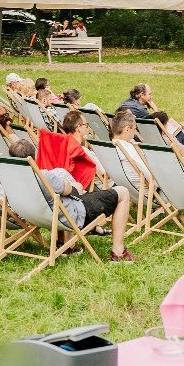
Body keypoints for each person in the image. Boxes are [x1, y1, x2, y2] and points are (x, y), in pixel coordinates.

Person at [33, 112, 135, 262]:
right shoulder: (80, 151)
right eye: (86, 125)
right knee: (123, 192)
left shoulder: (56, 143)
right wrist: (77, 187)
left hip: (52, 208)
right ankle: (118, 251)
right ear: (78, 128)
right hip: (73, 205)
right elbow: (101, 172)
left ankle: (66, 245)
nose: (88, 128)